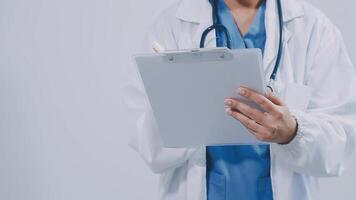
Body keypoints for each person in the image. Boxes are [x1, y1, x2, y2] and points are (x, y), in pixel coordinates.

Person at [128, 0, 356, 199]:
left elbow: (341, 141)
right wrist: (184, 106)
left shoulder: (314, 29)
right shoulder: (172, 25)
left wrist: (293, 132)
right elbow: (149, 148)